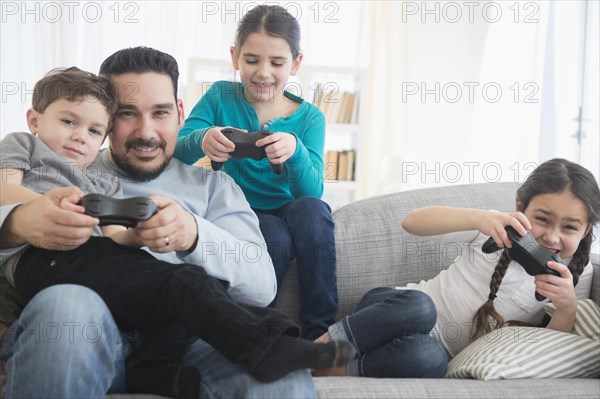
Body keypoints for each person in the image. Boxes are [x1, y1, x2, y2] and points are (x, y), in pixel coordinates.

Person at [0, 47, 342, 398]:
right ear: (107, 120)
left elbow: (261, 287)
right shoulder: (69, 165)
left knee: (278, 380)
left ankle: (191, 363)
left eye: (160, 113)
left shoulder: (215, 187)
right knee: (67, 307)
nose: (146, 132)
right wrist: (16, 221)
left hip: (185, 340)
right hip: (87, 327)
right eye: (127, 114)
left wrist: (192, 234)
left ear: (179, 113)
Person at [314, 158, 599, 378]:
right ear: (520, 205)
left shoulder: (578, 274)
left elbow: (546, 350)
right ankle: (313, 351)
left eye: (570, 227)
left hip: (430, 349)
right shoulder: (492, 228)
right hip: (394, 310)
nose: (551, 236)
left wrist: (566, 308)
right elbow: (411, 222)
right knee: (421, 307)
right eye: (543, 219)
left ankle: (326, 371)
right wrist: (479, 219)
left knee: (431, 361)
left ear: (586, 230)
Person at [174, 4, 337, 340]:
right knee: (272, 236)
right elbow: (176, 151)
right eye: (251, 60)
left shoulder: (310, 119)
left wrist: (295, 151)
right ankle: (257, 333)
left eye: (277, 63)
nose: (263, 72)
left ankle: (318, 332)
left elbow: (312, 191)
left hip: (290, 206)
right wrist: (202, 139)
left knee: (314, 209)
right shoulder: (220, 95)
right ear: (235, 57)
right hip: (237, 208)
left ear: (296, 64)